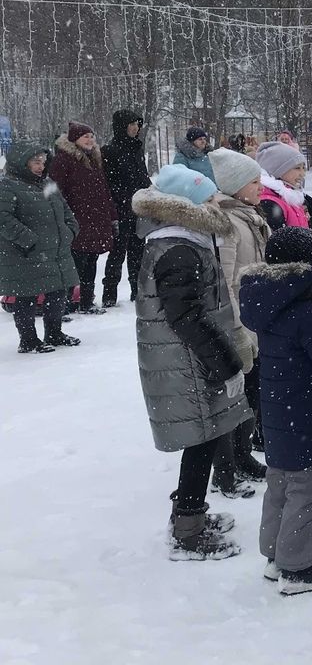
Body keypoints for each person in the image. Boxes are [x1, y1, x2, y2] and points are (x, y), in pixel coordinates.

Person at [132, 164, 251, 560]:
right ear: (189, 204)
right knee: (201, 439)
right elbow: (186, 317)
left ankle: (191, 511)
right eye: (210, 197)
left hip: (191, 358)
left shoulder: (185, 240)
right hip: (188, 361)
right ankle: (188, 529)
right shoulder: (178, 248)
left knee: (208, 434)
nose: (218, 203)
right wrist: (224, 363)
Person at [238, 226, 312, 594]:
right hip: (310, 417)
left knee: (281, 484)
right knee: (310, 489)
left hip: (279, 414)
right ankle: (298, 567)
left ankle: (276, 554)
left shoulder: (270, 303)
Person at [206, 148, 271, 495]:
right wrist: (236, 329)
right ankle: (225, 468)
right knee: (233, 399)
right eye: (254, 181)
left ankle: (243, 455)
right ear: (234, 186)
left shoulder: (249, 216)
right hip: (239, 323)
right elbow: (225, 280)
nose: (261, 186)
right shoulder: (227, 223)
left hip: (256, 319)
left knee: (253, 394)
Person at [0, 140, 79, 353]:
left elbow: (65, 210)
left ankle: (54, 333)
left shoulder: (48, 183)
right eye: (36, 162)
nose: (41, 166)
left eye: (43, 162)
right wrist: (28, 240)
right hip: (25, 253)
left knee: (57, 293)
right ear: (21, 162)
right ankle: (28, 340)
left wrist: (71, 230)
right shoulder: (7, 185)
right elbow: (3, 218)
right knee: (26, 296)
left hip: (55, 251)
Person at [49, 121, 117, 314]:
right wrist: (62, 218)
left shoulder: (94, 160)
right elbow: (56, 191)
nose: (90, 140)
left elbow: (104, 191)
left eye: (91, 136)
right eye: (85, 136)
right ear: (74, 139)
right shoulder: (63, 160)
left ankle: (86, 300)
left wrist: (112, 217)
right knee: (75, 262)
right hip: (76, 220)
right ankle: (70, 301)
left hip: (95, 219)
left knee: (91, 261)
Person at [101, 108, 150, 306]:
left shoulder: (137, 148)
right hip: (120, 209)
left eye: (137, 124)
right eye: (132, 124)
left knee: (138, 253)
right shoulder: (110, 150)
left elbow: (142, 176)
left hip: (139, 208)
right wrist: (120, 202)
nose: (135, 128)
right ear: (122, 127)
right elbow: (108, 183)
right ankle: (109, 294)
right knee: (117, 253)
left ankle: (137, 291)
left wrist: (147, 193)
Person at [256, 140, 311, 231]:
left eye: (303, 168)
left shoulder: (290, 197)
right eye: (297, 168)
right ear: (277, 170)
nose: (302, 173)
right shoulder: (269, 204)